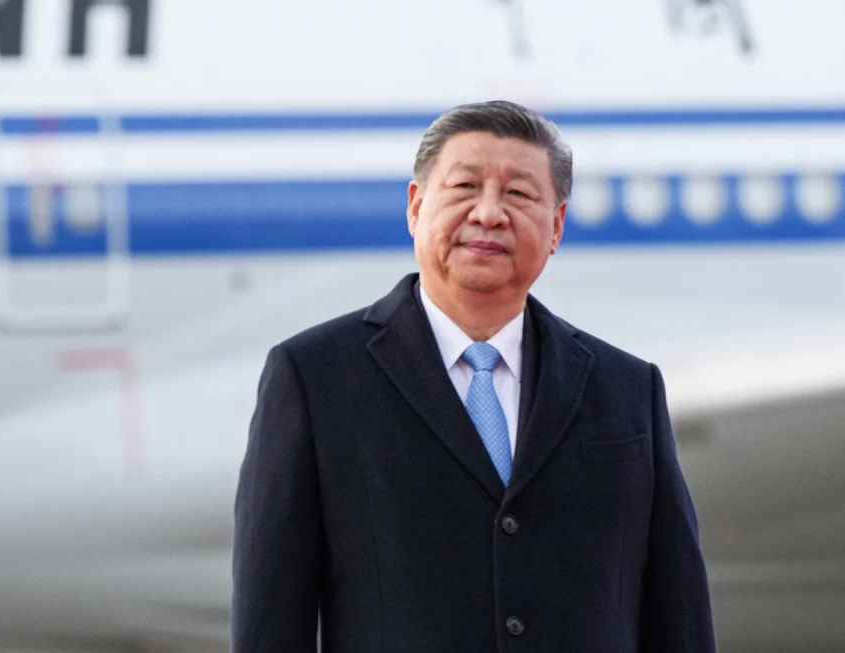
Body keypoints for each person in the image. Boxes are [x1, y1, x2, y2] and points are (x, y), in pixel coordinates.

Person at [231, 100, 716, 652]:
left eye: (519, 194)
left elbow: (680, 619)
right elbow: (270, 624)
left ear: (555, 226)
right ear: (416, 207)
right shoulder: (315, 378)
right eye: (464, 188)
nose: (489, 214)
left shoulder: (627, 388)